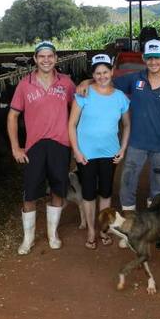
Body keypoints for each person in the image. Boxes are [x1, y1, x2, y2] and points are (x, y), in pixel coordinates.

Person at [77, 39, 160, 247]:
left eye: (157, 57)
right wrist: (86, 82)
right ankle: (129, 230)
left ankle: (151, 229)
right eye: (149, 57)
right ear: (144, 58)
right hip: (136, 143)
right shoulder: (134, 79)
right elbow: (105, 81)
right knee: (128, 185)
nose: (153, 61)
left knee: (158, 189)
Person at [7, 41, 76, 255]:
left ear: (56, 58)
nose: (46, 60)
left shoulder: (66, 82)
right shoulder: (25, 84)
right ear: (35, 59)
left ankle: (52, 234)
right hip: (34, 146)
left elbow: (78, 108)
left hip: (60, 144)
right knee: (30, 194)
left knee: (58, 190)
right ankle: (27, 239)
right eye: (42, 56)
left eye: (50, 56)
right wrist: (16, 148)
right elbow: (12, 116)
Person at [68, 54, 131, 250]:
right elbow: (71, 124)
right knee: (88, 194)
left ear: (112, 72)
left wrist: (122, 148)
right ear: (92, 74)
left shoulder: (120, 97)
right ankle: (91, 230)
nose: (102, 76)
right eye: (97, 73)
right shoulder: (83, 94)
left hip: (110, 152)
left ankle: (103, 229)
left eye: (105, 72)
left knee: (105, 192)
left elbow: (127, 125)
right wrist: (76, 151)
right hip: (86, 153)